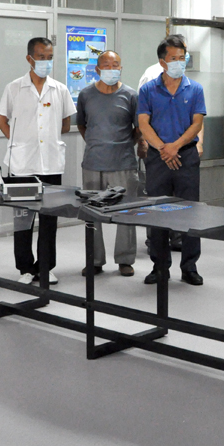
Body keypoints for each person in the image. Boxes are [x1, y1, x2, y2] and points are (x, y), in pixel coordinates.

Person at [0, 37, 76, 285]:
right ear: (29, 58)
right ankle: (25, 268)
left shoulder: (60, 89)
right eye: (41, 57)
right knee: (23, 218)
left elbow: (66, 123)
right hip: (22, 164)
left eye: (49, 57)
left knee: (49, 218)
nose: (46, 62)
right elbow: (1, 120)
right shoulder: (14, 88)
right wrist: (19, 141)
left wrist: (47, 137)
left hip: (51, 163)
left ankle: (45, 267)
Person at [137, 35, 206, 286]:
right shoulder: (148, 90)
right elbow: (143, 123)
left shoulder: (195, 88)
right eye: (173, 58)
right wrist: (163, 148)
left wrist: (175, 147)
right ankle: (159, 267)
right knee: (158, 213)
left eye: (182, 58)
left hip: (185, 156)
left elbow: (197, 122)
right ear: (162, 62)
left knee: (190, 212)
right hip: (158, 158)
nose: (179, 62)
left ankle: (189, 267)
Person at [76, 50, 141, 277]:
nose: (111, 69)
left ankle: (125, 259)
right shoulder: (86, 95)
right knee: (91, 214)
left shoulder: (131, 95)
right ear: (97, 69)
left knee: (126, 213)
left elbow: (139, 128)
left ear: (121, 68)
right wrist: (96, 143)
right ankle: (94, 260)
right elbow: (82, 125)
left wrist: (124, 144)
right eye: (106, 65)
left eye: (115, 65)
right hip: (93, 163)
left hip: (123, 163)